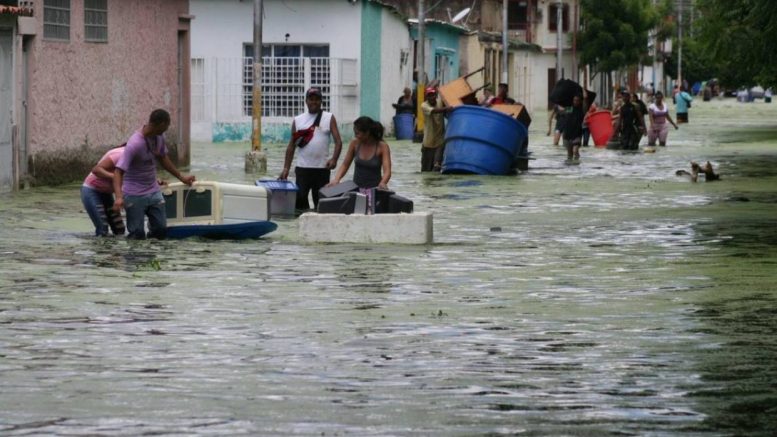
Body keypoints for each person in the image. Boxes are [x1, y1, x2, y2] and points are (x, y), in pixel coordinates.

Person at [112, 109, 196, 239]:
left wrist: (182, 177)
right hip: (134, 194)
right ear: (160, 124)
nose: (166, 130)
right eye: (166, 127)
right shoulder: (134, 144)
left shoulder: (159, 137)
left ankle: (152, 255)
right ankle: (136, 258)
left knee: (160, 229)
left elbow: (163, 159)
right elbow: (118, 171)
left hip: (153, 191)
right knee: (137, 234)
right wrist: (118, 197)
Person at [280, 87, 343, 211]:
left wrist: (334, 159)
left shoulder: (329, 117)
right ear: (306, 101)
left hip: (322, 170)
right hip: (302, 169)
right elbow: (291, 146)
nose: (314, 102)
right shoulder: (298, 120)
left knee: (321, 204)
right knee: (299, 205)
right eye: (311, 99)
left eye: (317, 99)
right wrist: (286, 168)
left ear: (321, 101)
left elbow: (338, 142)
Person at [329, 116, 392, 212]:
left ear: (367, 133)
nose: (355, 136)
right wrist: (336, 179)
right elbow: (345, 164)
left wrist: (383, 183)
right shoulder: (354, 144)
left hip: (375, 190)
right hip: (356, 190)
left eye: (357, 133)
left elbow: (387, 171)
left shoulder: (382, 147)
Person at [81, 144, 126, 237]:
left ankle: (115, 251)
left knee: (119, 229)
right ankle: (101, 250)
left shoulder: (140, 158)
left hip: (107, 193)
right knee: (102, 228)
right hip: (92, 190)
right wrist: (115, 177)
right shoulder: (121, 154)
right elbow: (96, 170)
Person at [421, 86, 448, 172]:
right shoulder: (424, 105)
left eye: (433, 95)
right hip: (428, 144)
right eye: (429, 95)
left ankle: (436, 185)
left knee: (437, 167)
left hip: (440, 142)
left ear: (436, 96)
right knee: (426, 171)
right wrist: (447, 108)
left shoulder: (440, 102)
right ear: (426, 97)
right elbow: (434, 111)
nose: (431, 97)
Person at [562, 94, 585, 161]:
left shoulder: (581, 110)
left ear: (580, 101)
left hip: (577, 134)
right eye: (574, 100)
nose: (576, 102)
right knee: (569, 155)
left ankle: (577, 161)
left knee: (575, 150)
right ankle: (572, 168)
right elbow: (563, 111)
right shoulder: (569, 109)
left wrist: (585, 97)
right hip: (567, 134)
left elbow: (585, 104)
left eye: (577, 100)